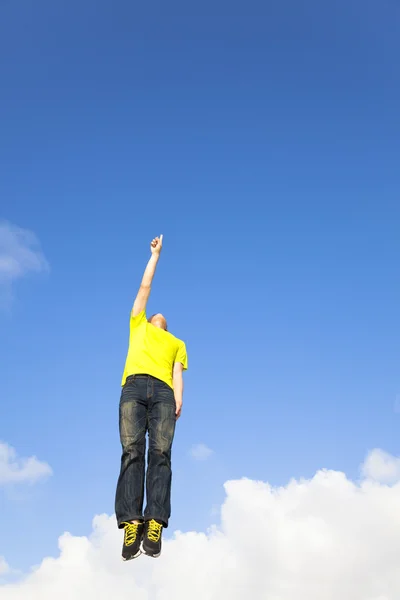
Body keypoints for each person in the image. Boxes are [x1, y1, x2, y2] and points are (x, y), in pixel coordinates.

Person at [115, 235, 188, 560]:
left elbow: (177, 372)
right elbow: (145, 288)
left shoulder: (176, 343)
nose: (158, 316)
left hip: (162, 392)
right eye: (153, 315)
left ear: (167, 328)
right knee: (132, 451)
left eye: (163, 319)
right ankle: (132, 522)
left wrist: (178, 398)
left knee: (160, 453)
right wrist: (155, 256)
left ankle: (155, 520)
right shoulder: (138, 325)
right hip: (133, 387)